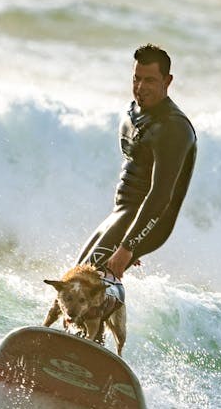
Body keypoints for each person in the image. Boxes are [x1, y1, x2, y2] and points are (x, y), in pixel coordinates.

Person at [75, 43, 197, 279]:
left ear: (167, 81)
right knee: (75, 278)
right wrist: (130, 239)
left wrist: (129, 246)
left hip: (145, 222)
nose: (141, 88)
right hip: (123, 216)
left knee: (81, 283)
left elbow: (161, 196)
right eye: (136, 79)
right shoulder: (134, 112)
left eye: (150, 80)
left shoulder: (173, 128)